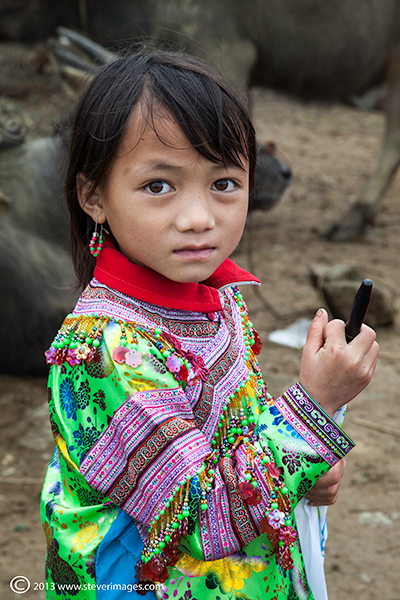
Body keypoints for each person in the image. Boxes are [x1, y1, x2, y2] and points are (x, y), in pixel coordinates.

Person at [40, 47, 379, 600]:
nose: (199, 218)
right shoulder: (105, 351)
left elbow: (227, 440)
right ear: (93, 196)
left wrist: (298, 473)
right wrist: (308, 418)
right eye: (158, 186)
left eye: (224, 183)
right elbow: (195, 522)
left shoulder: (216, 297)